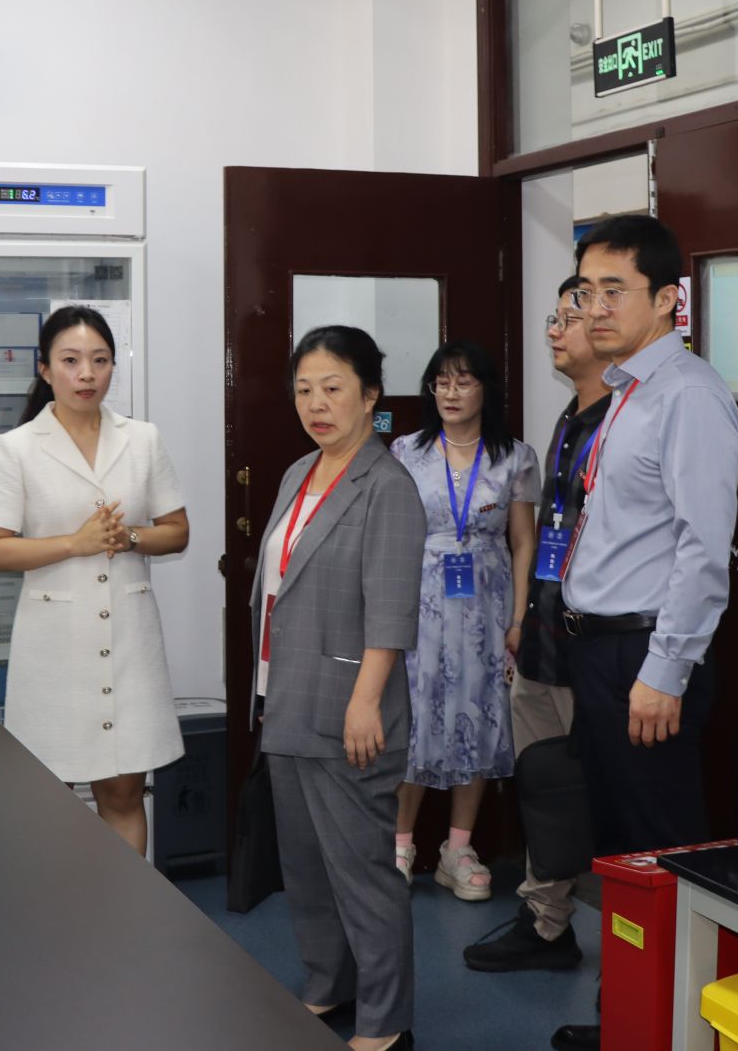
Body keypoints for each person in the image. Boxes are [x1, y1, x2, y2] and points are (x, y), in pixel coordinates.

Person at [549, 217, 738, 1051]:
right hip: (602, 651)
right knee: (622, 849)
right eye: (585, 290)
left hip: (646, 655)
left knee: (660, 851)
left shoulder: (688, 393)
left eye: (613, 290)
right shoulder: (627, 387)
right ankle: (627, 1017)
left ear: (667, 299)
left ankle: (666, 1030)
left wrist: (665, 670)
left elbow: (704, 548)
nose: (594, 307)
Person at [254, 326, 424, 1051]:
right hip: (289, 698)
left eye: (332, 388)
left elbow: (391, 608)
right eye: (304, 390)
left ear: (370, 395)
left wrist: (365, 700)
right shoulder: (300, 471)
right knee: (307, 868)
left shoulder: (386, 485)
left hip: (351, 708)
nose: (316, 404)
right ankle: (329, 984)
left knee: (361, 872)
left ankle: (386, 1020)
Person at [0, 306, 191, 854]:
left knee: (123, 795)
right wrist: (76, 543)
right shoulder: (16, 447)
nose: (86, 374)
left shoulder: (142, 439)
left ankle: (128, 906)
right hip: (53, 647)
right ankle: (62, 909)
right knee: (49, 801)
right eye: (70, 361)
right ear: (44, 369)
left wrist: (129, 537)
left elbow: (177, 532)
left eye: (100, 360)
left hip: (129, 639)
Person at [464, 277, 612, 972]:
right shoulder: (570, 417)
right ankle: (545, 923)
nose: (554, 330)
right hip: (546, 637)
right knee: (545, 789)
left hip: (598, 648)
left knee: (601, 800)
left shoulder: (625, 418)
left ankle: (630, 961)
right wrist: (525, 618)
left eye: (568, 318)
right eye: (552, 317)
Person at [388, 341, 537, 900]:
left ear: (485, 389)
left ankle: (458, 848)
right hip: (420, 602)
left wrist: (518, 618)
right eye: (441, 382)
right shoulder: (406, 451)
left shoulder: (514, 457)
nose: (450, 393)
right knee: (416, 719)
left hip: (486, 607)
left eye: (463, 381)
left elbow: (523, 544)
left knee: (477, 716)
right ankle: (401, 845)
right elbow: (390, 535)